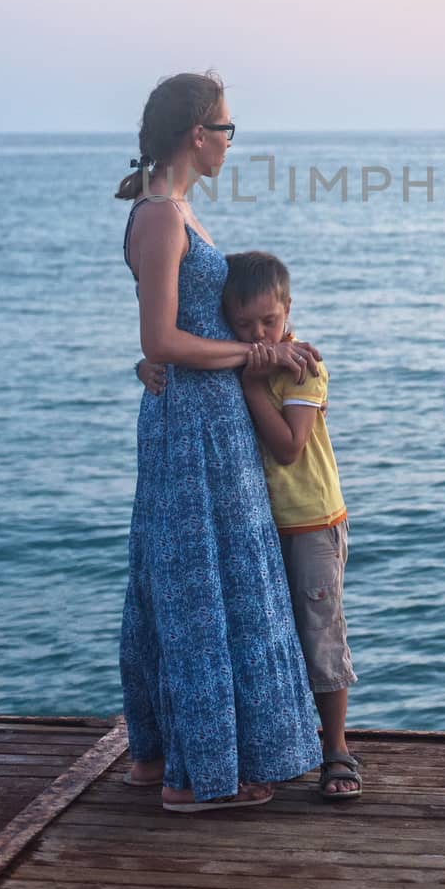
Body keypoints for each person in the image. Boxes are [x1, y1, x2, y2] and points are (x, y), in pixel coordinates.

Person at [116, 72, 322, 813]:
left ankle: (159, 754)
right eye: (227, 129)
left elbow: (171, 338)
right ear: (196, 134)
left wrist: (251, 354)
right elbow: (161, 339)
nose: (232, 142)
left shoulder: (176, 210)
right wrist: (252, 358)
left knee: (183, 581)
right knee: (200, 588)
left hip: (204, 419)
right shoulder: (163, 217)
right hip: (193, 426)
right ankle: (199, 781)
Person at [139, 250, 361, 800]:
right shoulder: (241, 360)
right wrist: (144, 367)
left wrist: (254, 385)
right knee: (272, 638)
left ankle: (337, 749)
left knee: (320, 638)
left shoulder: (301, 366)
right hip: (258, 527)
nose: (260, 334)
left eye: (270, 321)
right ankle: (280, 745)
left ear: (289, 310)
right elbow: (179, 364)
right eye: (243, 326)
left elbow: (288, 448)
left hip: (310, 521)